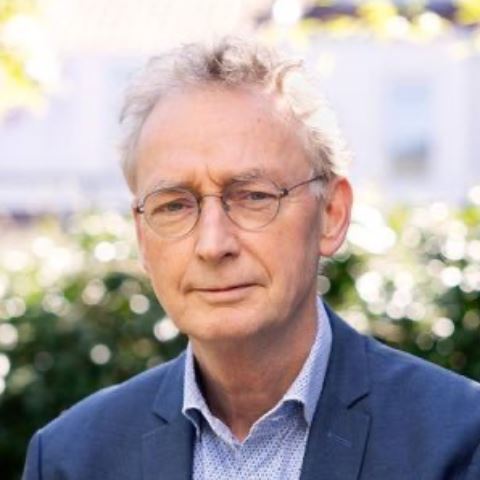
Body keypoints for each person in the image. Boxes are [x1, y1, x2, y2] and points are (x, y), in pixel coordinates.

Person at [23, 37, 480, 480]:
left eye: (253, 196)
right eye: (175, 205)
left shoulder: (460, 439)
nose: (212, 244)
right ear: (142, 236)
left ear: (331, 214)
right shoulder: (71, 460)